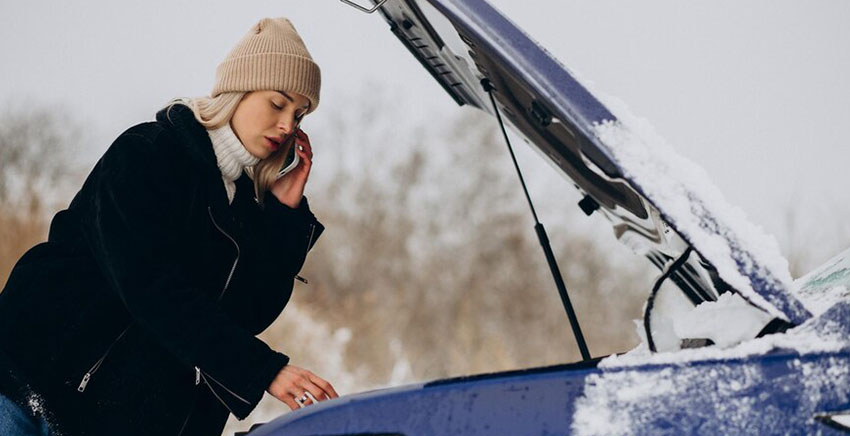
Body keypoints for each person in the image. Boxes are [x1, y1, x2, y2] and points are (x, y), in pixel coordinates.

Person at [0, 17, 338, 436]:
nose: (288, 125)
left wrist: (284, 219)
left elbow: (245, 316)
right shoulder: (150, 153)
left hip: (105, 417)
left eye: (299, 114)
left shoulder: (245, 208)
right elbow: (148, 284)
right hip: (28, 383)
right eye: (278, 103)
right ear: (239, 90)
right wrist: (264, 370)